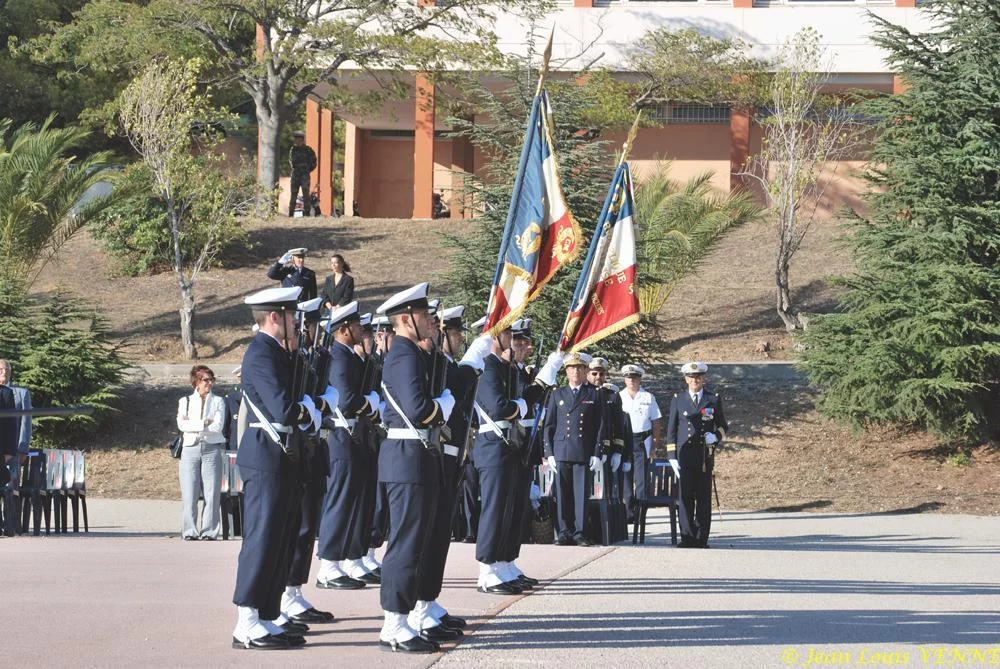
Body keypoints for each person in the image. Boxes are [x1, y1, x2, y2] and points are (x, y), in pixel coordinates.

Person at [231, 286, 337, 650]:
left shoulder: (280, 352)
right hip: (266, 455)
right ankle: (246, 621)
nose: (297, 323)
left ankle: (267, 613)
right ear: (275, 316)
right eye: (292, 316)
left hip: (283, 456)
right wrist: (314, 407)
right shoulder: (261, 353)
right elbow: (284, 408)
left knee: (282, 538)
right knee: (262, 538)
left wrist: (314, 400)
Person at [374, 282, 454, 653]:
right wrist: (445, 406)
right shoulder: (403, 355)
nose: (430, 320)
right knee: (405, 543)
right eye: (424, 314)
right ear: (406, 319)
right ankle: (393, 624)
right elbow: (418, 409)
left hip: (417, 456)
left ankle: (412, 615)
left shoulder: (413, 353)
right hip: (406, 457)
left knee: (419, 541)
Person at [409, 304, 480, 639]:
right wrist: (470, 367)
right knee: (429, 534)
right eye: (453, 333)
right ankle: (419, 606)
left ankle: (428, 600)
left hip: (451, 455)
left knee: (440, 534)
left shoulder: (445, 364)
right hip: (437, 455)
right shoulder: (435, 364)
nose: (459, 338)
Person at [315, 300, 381, 589]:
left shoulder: (351, 357)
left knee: (358, 501)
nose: (360, 330)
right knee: (341, 501)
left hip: (357, 436)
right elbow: (347, 401)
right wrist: (372, 402)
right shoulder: (339, 358)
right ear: (343, 330)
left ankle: (354, 557)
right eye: (356, 326)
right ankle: (328, 565)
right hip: (343, 437)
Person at [543, 352, 604, 547]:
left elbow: (600, 426)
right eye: (571, 368)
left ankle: (580, 533)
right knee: (562, 495)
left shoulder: (594, 394)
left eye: (579, 368)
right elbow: (549, 425)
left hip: (583, 450)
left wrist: (597, 452)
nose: (575, 371)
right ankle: (563, 532)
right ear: (566, 372)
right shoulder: (557, 394)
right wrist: (549, 453)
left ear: (585, 371)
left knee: (581, 495)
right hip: (561, 450)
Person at [665, 361, 728, 549]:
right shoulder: (678, 399)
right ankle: (687, 537)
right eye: (691, 377)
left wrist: (715, 436)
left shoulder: (712, 399)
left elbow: (723, 426)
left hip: (703, 457)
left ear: (703, 378)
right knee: (685, 498)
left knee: (703, 498)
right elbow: (671, 430)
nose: (695, 380)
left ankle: (701, 538)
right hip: (684, 456)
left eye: (698, 377)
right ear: (686, 379)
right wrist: (671, 456)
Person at [177, 365, 227, 541]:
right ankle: (189, 530)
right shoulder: (185, 401)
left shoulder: (218, 401)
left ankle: (209, 531)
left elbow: (218, 426)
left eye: (212, 379)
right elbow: (181, 425)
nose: (210, 383)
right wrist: (204, 422)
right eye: (206, 380)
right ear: (196, 382)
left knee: (212, 492)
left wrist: (194, 424)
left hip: (211, 449)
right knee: (189, 492)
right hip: (190, 448)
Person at [618, 364, 663, 520]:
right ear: (624, 379)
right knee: (626, 478)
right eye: (629, 378)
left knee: (642, 479)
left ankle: (640, 514)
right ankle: (629, 513)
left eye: (635, 378)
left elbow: (656, 423)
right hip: (624, 442)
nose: (632, 380)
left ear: (640, 379)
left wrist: (655, 446)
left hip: (642, 442)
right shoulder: (619, 396)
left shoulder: (648, 397)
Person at [587, 357, 632, 508]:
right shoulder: (583, 393)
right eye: (594, 373)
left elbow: (619, 426)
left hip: (606, 451)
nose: (598, 377)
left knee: (603, 495)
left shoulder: (611, 395)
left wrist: (618, 452)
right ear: (587, 373)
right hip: (583, 449)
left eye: (602, 374)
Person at [0, 360, 30, 488]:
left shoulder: (21, 393)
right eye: (1, 369)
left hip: (14, 449)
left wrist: (23, 449)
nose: (4, 372)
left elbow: (26, 422)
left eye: (7, 369)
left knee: (11, 487)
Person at [288, 130, 317, 217]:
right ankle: (291, 213)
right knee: (293, 194)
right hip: (296, 174)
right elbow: (291, 161)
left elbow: (314, 162)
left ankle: (307, 213)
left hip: (304, 175)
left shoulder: (308, 150)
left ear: (301, 139)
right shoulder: (293, 149)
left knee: (306, 194)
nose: (296, 140)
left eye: (297, 138)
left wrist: (307, 170)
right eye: (295, 138)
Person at [223, 366, 243, 452]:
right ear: (238, 379)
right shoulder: (230, 399)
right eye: (240, 377)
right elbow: (225, 426)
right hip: (235, 445)